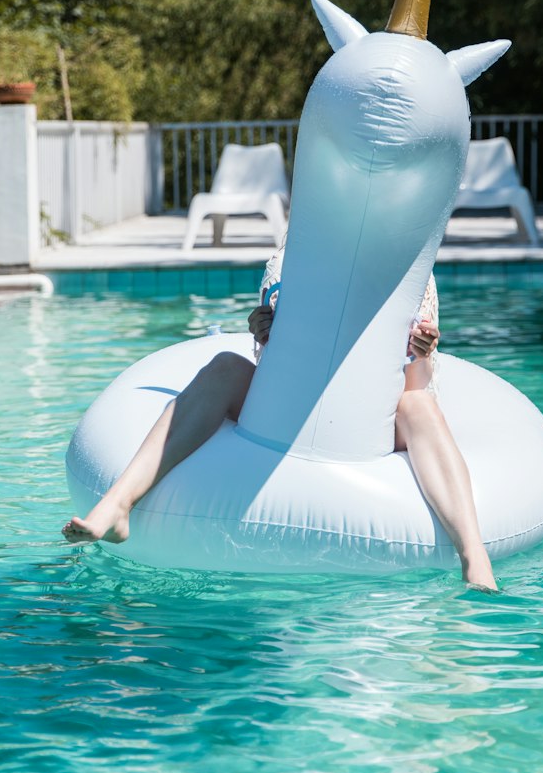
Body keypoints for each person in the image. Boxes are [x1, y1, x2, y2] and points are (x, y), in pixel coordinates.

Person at [62, 254, 498, 592]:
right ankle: (119, 504)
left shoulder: (413, 272)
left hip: (376, 418)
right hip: (293, 407)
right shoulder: (287, 262)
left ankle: (472, 554)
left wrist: (420, 354)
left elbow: (416, 384)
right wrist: (264, 335)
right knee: (225, 366)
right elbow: (278, 371)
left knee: (417, 404)